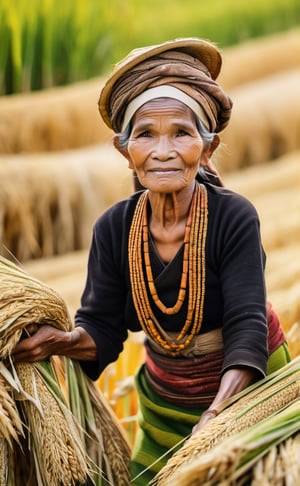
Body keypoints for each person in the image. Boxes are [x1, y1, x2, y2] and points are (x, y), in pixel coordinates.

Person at [13, 37, 290, 484]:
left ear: (208, 146)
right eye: (145, 134)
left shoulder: (233, 217)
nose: (163, 150)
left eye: (181, 133)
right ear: (125, 151)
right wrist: (58, 342)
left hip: (249, 395)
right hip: (167, 401)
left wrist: (217, 416)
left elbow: (247, 325)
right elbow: (102, 327)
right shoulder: (114, 229)